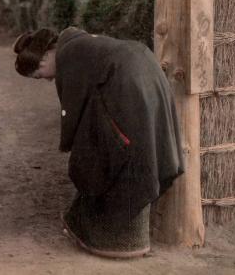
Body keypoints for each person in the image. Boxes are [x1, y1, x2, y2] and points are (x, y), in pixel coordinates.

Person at [13, 27, 184, 259]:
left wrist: (74, 146)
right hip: (148, 71)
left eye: (40, 73)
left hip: (128, 82)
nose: (48, 79)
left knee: (103, 157)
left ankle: (113, 241)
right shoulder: (78, 42)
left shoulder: (69, 53)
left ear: (44, 56)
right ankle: (131, 238)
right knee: (144, 148)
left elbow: (73, 112)